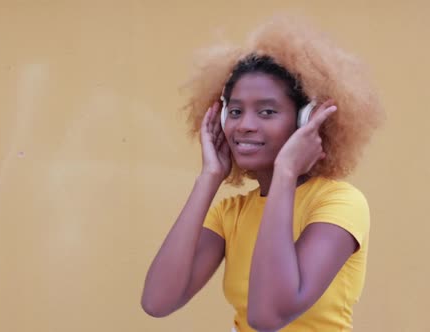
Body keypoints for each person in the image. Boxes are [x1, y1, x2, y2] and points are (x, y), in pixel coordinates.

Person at [141, 17, 384, 331]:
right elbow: (157, 302)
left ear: (304, 121)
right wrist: (209, 178)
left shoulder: (339, 203)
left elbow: (267, 316)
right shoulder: (231, 213)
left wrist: (285, 173)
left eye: (267, 111)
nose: (245, 125)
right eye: (236, 111)